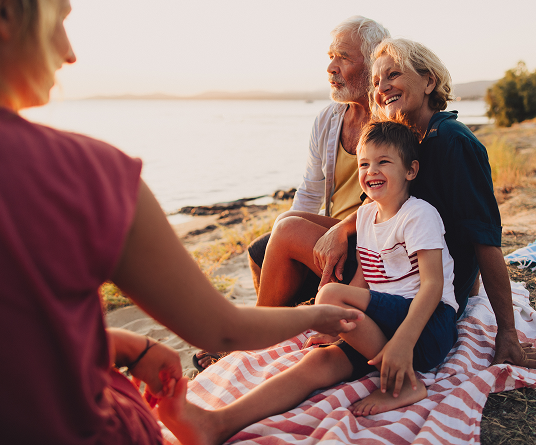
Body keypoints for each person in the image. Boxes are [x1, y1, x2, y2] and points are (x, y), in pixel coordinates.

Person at [0, 0, 362, 443]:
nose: (70, 51)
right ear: (5, 10)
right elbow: (220, 329)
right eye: (59, 18)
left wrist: (123, 343)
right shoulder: (88, 174)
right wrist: (318, 315)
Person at [261, 37, 536, 372]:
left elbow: (485, 241)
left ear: (429, 81)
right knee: (287, 224)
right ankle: (271, 325)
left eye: (393, 75)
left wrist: (507, 333)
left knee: (287, 229)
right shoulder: (405, 136)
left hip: (415, 278)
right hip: (395, 253)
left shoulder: (453, 142)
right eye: (376, 82)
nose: (382, 87)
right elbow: (372, 206)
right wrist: (343, 229)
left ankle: (254, 339)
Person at [158, 120, 460, 444]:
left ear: (411, 170)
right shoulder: (366, 217)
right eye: (364, 164)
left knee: (328, 294)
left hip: (427, 327)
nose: (372, 170)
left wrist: (400, 344)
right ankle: (217, 423)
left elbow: (432, 286)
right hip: (384, 329)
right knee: (319, 361)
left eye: (384, 162)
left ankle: (406, 384)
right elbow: (363, 279)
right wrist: (339, 328)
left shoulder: (419, 215)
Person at [195, 16, 390, 371]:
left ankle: (247, 339)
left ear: (374, 60)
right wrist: (282, 234)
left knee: (285, 232)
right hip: (331, 231)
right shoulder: (329, 119)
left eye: (343, 57)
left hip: (370, 237)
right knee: (265, 245)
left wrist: (312, 232)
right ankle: (276, 326)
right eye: (330, 56)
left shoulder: (391, 121)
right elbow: (311, 190)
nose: (331, 68)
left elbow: (392, 202)